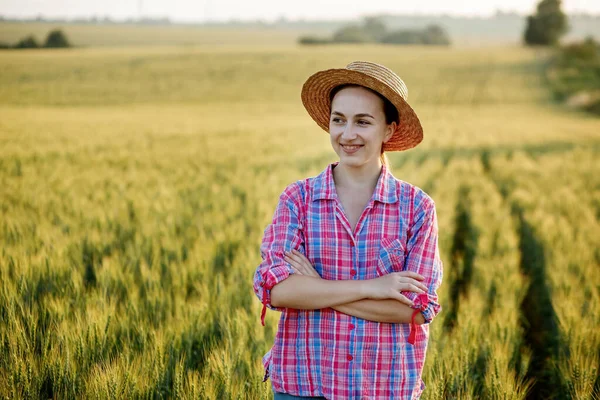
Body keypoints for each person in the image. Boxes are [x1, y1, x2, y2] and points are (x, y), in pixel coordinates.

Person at [252, 61, 443, 399]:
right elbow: (277, 292)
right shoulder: (298, 199)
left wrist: (316, 289)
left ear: (388, 130)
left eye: (363, 122)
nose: (347, 134)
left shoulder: (416, 208)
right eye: (338, 120)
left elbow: (414, 310)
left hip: (383, 386)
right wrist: (375, 287)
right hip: (303, 383)